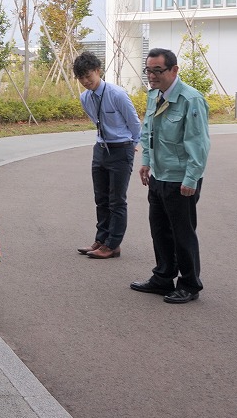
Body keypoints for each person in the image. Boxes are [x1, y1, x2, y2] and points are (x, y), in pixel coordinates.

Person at [131, 47, 210, 305]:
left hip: (181, 180)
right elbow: (147, 130)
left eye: (157, 71)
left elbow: (199, 144)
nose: (152, 76)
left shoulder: (191, 99)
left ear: (174, 70)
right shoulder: (155, 95)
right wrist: (145, 161)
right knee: (160, 230)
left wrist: (191, 179)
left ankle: (189, 284)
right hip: (159, 176)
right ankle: (163, 277)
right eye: (148, 70)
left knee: (182, 233)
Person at [73, 51, 141, 259]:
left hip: (121, 149)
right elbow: (96, 121)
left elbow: (135, 123)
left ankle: (113, 244)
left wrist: (133, 145)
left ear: (97, 71)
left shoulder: (117, 94)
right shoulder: (85, 98)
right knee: (101, 199)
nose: (85, 81)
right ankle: (101, 240)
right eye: (81, 78)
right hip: (100, 149)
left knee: (117, 200)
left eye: (88, 76)